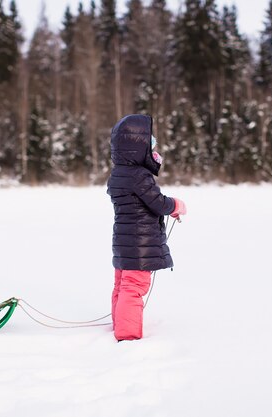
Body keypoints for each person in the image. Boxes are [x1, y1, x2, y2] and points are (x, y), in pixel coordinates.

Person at [107, 114, 187, 341]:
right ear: (136, 146)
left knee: (122, 285)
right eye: (150, 143)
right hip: (139, 242)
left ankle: (120, 324)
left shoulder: (118, 174)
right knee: (133, 287)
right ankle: (128, 334)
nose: (154, 147)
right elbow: (158, 203)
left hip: (123, 243)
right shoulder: (140, 176)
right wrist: (176, 205)